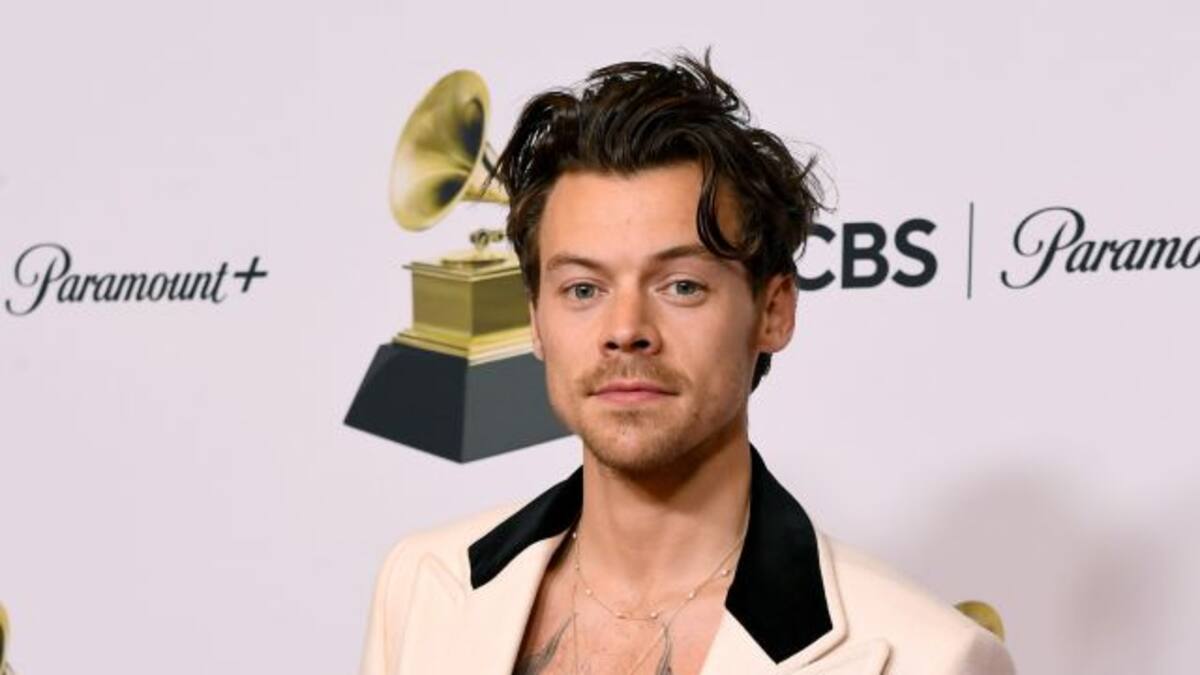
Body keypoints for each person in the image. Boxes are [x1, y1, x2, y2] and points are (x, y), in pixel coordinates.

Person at [358, 50, 1015, 675]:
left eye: (681, 286)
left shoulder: (929, 657)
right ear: (536, 321)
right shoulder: (423, 584)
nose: (626, 331)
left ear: (773, 311)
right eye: (583, 289)